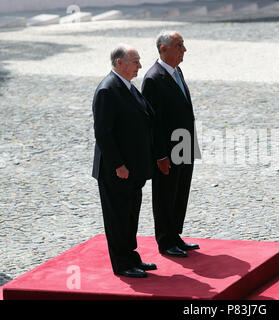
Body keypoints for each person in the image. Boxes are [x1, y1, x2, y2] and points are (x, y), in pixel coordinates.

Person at [92, 44, 156, 278]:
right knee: (118, 217)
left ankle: (131, 257)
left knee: (130, 215)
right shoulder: (108, 90)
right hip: (117, 170)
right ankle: (122, 263)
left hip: (134, 168)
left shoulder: (127, 87)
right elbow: (104, 133)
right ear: (119, 63)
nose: (140, 65)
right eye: (135, 61)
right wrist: (118, 165)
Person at [142, 31, 201, 258]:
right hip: (167, 149)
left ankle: (175, 235)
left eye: (183, 44)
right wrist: (159, 155)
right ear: (164, 49)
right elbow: (153, 123)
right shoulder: (153, 79)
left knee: (180, 191)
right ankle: (165, 241)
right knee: (165, 194)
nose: (184, 50)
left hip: (184, 143)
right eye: (179, 45)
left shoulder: (177, 71)